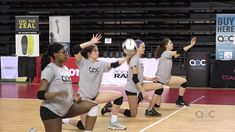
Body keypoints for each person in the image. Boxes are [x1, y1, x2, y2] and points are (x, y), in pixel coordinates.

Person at [62, 34, 129, 130]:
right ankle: (64, 120)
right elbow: (75, 49)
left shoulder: (101, 64)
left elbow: (114, 64)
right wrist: (91, 42)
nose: (97, 52)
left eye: (97, 50)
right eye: (95, 50)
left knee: (119, 96)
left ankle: (113, 122)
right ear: (89, 53)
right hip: (84, 99)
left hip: (96, 96)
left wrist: (126, 58)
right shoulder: (82, 62)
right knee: (84, 126)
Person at [37, 43, 98, 132]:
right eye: (63, 52)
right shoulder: (49, 69)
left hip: (67, 107)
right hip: (52, 110)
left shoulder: (65, 68)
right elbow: (40, 94)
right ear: (55, 54)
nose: (67, 54)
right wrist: (57, 94)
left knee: (93, 106)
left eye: (66, 52)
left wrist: (73, 97)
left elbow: (65, 89)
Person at [102, 39, 166, 117]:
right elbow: (135, 78)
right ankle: (109, 108)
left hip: (139, 85)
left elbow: (140, 76)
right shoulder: (134, 60)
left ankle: (150, 110)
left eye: (144, 47)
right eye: (142, 47)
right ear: (137, 48)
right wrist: (143, 92)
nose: (144, 49)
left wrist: (150, 79)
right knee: (133, 114)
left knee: (160, 86)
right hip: (132, 88)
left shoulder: (139, 59)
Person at [153, 37, 197, 107]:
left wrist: (191, 45)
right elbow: (178, 51)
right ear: (166, 46)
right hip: (160, 79)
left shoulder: (169, 54)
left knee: (184, 82)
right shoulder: (165, 53)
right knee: (157, 105)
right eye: (170, 43)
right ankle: (142, 96)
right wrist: (191, 45)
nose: (172, 44)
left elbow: (179, 53)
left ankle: (180, 100)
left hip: (167, 78)